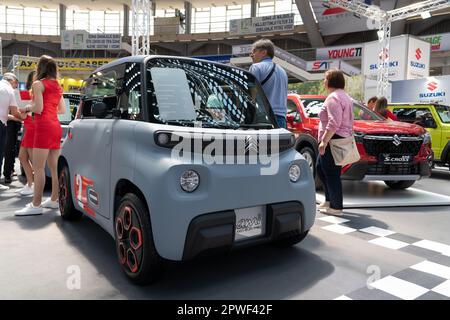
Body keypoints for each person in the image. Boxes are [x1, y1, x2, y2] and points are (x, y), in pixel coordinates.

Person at [15, 56, 67, 216]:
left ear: (41, 68)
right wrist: (46, 109)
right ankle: (53, 200)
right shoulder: (57, 85)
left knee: (38, 168)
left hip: (43, 126)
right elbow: (62, 110)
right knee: (53, 167)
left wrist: (26, 108)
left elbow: (38, 108)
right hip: (55, 126)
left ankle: (36, 205)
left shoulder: (38, 84)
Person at [316, 69, 354, 216]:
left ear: (331, 80)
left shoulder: (333, 98)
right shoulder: (345, 96)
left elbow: (334, 122)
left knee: (331, 173)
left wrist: (324, 141)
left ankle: (336, 207)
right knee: (321, 168)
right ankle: (329, 200)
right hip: (341, 137)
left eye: (325, 79)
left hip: (333, 138)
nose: (324, 81)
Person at [249, 39, 288, 128]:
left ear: (264, 52)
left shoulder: (256, 67)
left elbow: (252, 94)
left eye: (254, 51)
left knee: (261, 142)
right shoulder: (283, 71)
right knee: (279, 142)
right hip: (281, 118)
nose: (251, 55)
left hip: (264, 117)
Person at [0, 73, 25, 191]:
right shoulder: (9, 90)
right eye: (16, 84)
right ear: (12, 81)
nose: (16, 87)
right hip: (1, 124)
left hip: (3, 121)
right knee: (1, 152)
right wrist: (25, 118)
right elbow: (15, 112)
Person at [17, 71, 36, 196]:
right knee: (22, 157)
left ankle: (33, 185)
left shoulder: (39, 90)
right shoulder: (28, 92)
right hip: (28, 124)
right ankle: (30, 184)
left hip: (34, 124)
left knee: (35, 160)